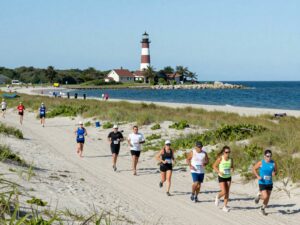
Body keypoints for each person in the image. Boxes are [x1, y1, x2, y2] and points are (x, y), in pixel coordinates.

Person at [252, 149, 277, 216]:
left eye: (270, 156)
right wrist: (257, 176)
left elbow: (275, 170)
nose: (269, 157)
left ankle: (262, 209)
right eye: (267, 156)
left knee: (268, 197)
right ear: (264, 156)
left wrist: (274, 173)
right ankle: (259, 196)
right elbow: (253, 169)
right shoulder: (261, 162)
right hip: (262, 182)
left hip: (269, 182)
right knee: (265, 196)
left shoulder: (273, 163)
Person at [213, 146, 234, 212]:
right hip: (221, 177)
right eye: (226, 152)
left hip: (228, 177)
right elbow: (214, 166)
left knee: (227, 192)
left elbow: (232, 167)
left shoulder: (231, 159)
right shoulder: (220, 159)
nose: (227, 153)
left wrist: (232, 169)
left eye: (229, 152)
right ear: (223, 152)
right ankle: (218, 197)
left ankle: (225, 206)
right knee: (224, 191)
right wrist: (219, 172)